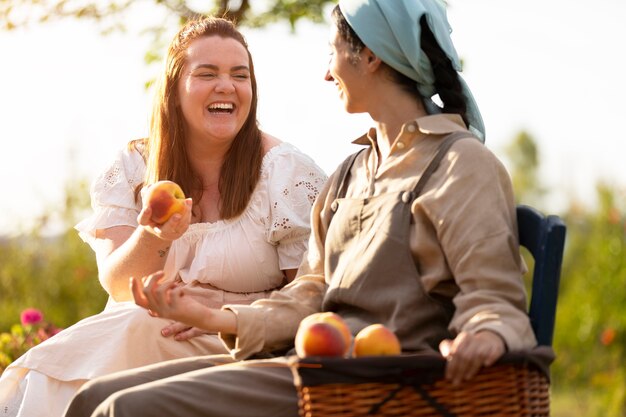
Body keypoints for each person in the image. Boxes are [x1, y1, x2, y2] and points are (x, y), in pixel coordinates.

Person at [64, 1, 538, 416]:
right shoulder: (352, 172)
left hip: (381, 382)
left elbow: (493, 299)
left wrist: (487, 334)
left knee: (122, 410)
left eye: (331, 53)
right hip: (314, 365)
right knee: (90, 400)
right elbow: (310, 295)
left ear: (369, 57)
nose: (326, 72)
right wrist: (215, 317)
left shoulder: (460, 164)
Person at [0, 16, 327, 417]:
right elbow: (121, 287)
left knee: (112, 349)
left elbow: (310, 298)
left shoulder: (286, 173)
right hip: (143, 334)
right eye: (207, 73)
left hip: (235, 345)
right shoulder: (134, 165)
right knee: (63, 369)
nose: (226, 85)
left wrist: (219, 314)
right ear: (173, 89)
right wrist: (155, 235)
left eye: (239, 76)